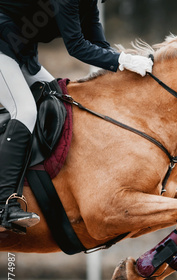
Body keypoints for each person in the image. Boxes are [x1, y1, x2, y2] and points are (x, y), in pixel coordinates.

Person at [0, 0, 153, 232]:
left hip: (21, 50)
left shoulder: (89, 3)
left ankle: (41, 186)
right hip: (3, 47)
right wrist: (124, 60)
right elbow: (77, 46)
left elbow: (98, 45)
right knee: (26, 110)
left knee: (56, 100)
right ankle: (4, 204)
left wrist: (126, 68)